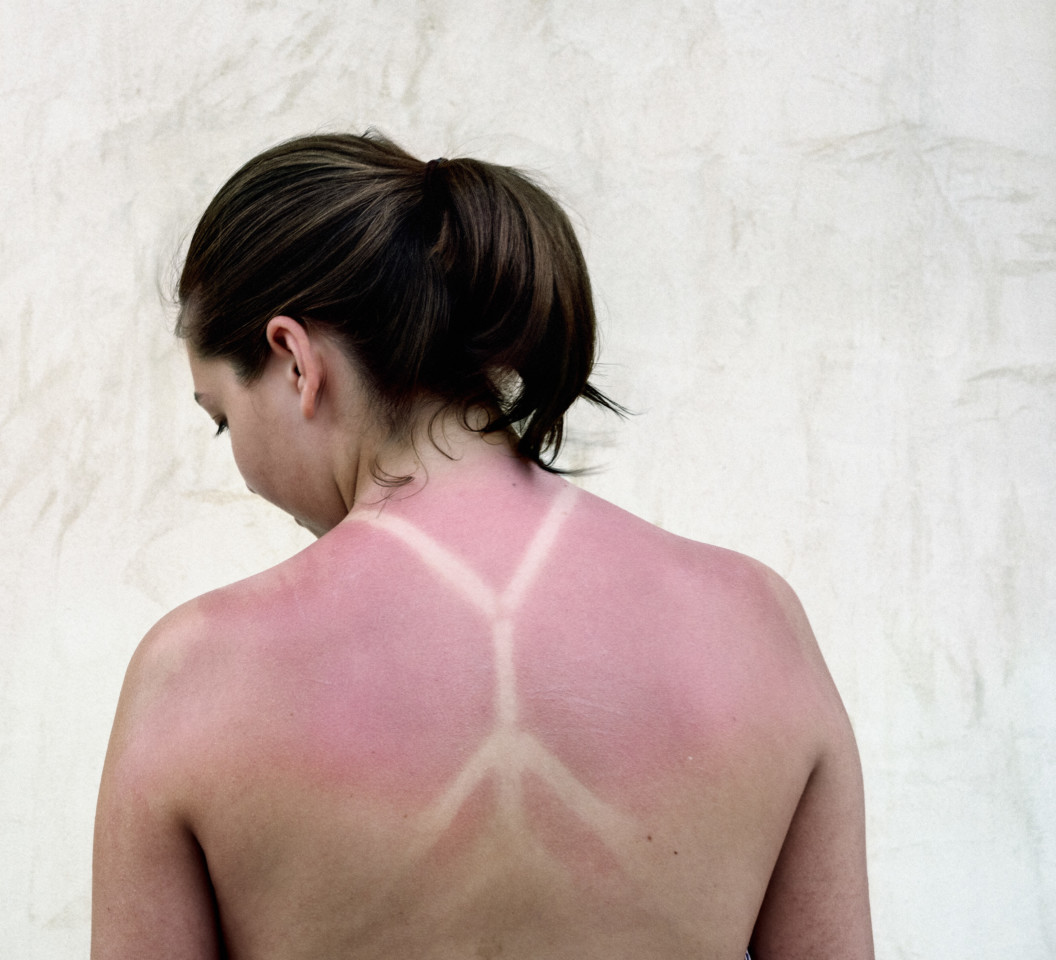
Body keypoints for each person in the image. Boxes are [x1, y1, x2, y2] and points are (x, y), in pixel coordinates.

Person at [91, 132, 874, 960]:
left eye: (222, 418)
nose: (243, 465)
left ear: (294, 359)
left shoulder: (196, 675)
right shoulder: (753, 624)